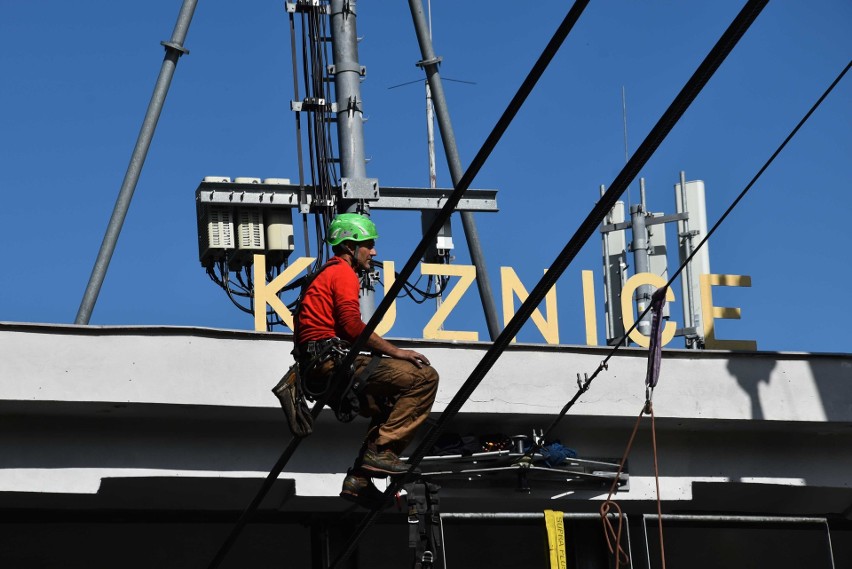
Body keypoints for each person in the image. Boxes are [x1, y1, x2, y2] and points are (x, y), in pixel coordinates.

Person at [296, 213, 439, 507]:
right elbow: (351, 326)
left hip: (319, 369)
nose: (373, 252)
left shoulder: (323, 275)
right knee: (424, 377)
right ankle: (382, 451)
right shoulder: (342, 273)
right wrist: (398, 352)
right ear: (350, 246)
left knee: (388, 403)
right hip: (331, 363)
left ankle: (359, 479)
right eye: (368, 245)